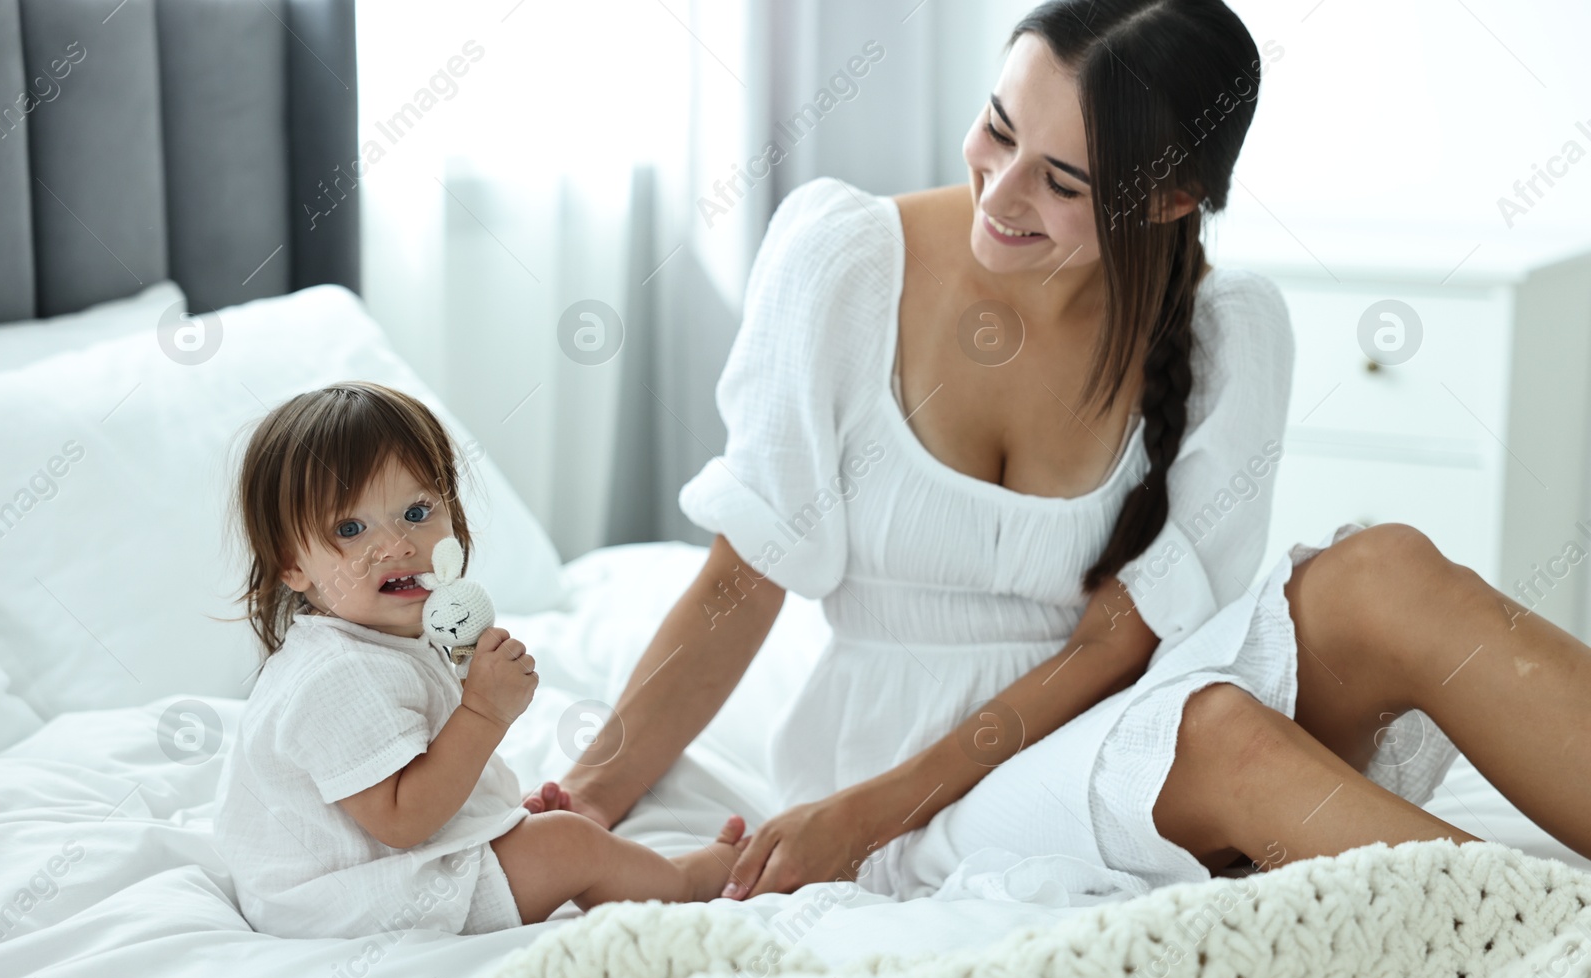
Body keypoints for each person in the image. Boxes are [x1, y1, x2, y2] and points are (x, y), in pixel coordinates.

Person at [527, 0, 1591, 903]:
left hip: (1085, 727)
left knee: (1384, 568)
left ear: (1170, 198)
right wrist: (589, 795)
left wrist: (867, 814)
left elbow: (1123, 646)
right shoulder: (844, 261)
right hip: (916, 784)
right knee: (1216, 729)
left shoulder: (1230, 329)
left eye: (1062, 182)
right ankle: (1550, 938)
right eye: (996, 129)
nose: (998, 195)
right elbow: (741, 576)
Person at [211, 381, 748, 937]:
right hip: (341, 905)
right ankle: (682, 886)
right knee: (569, 845)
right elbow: (400, 821)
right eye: (351, 528)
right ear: (292, 567)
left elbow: (418, 777)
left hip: (370, 872)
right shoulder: (337, 675)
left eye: (417, 511)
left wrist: (492, 821)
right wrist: (484, 715)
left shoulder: (383, 641)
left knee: (548, 831)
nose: (397, 544)